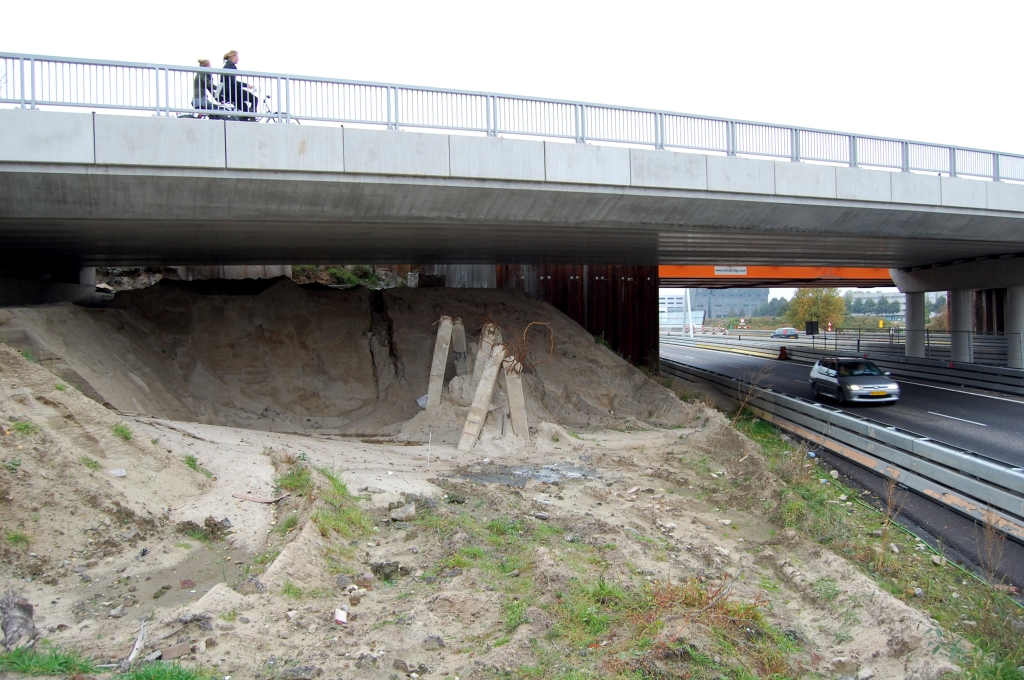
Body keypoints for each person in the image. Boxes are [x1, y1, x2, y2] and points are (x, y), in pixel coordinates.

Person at [220, 50, 257, 120]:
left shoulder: (227, 66)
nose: (238, 58)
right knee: (254, 99)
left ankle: (246, 120)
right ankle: (252, 118)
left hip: (229, 92)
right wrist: (246, 85)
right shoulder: (231, 66)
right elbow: (233, 82)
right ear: (233, 56)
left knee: (245, 110)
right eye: (237, 56)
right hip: (233, 91)